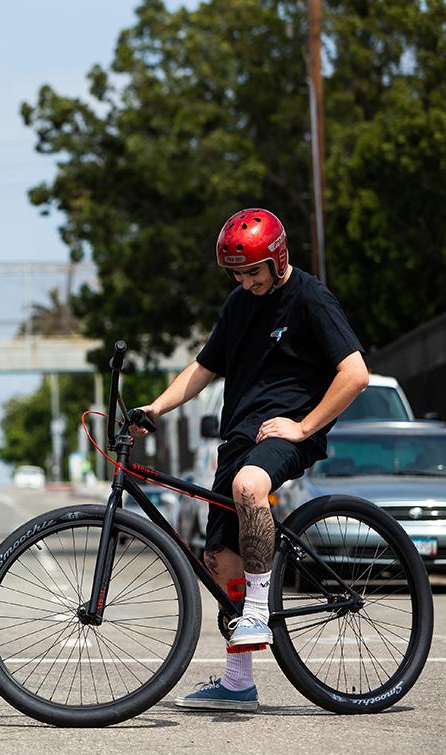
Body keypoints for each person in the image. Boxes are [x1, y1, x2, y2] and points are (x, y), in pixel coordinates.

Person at [131, 208, 368, 712]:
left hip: (287, 431)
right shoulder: (239, 304)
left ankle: (260, 609)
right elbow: (203, 368)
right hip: (238, 439)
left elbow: (355, 374)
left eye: (253, 272)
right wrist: (155, 408)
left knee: (249, 486)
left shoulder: (310, 298)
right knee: (220, 560)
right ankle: (238, 683)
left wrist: (304, 426)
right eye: (236, 274)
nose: (246, 282)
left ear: (278, 258)